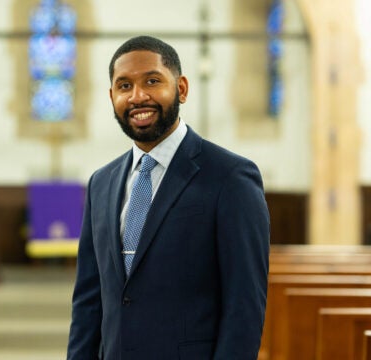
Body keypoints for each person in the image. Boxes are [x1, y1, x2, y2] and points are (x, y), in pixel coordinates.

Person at [67, 35, 270, 359]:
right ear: (112, 97)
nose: (138, 96)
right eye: (124, 86)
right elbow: (89, 302)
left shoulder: (230, 178)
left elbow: (244, 306)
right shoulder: (101, 184)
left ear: (182, 88)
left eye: (152, 81)